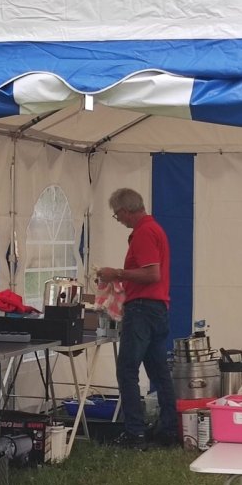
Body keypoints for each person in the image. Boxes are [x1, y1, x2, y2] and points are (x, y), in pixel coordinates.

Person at [95, 188, 180, 447]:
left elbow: (152, 274)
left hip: (142, 309)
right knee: (159, 372)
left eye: (117, 214)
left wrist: (117, 274)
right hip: (157, 308)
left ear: (126, 210)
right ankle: (168, 429)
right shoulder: (154, 229)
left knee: (127, 370)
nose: (118, 219)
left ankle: (135, 432)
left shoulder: (144, 233)